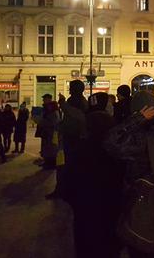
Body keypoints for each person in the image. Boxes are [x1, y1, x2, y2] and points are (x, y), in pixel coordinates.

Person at [105, 90, 154, 257]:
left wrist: (136, 119)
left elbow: (111, 143)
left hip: (145, 201)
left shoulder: (141, 138)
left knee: (142, 246)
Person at [66, 92, 124, 258]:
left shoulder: (81, 147)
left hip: (84, 214)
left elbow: (68, 184)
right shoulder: (114, 148)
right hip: (108, 214)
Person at [48, 81, 88, 200]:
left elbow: (79, 117)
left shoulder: (81, 102)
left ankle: (68, 191)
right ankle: (62, 190)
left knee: (69, 166)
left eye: (71, 88)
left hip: (75, 138)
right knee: (63, 166)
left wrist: (63, 104)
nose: (69, 90)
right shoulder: (72, 101)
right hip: (68, 137)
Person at [35, 94, 59, 170]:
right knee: (46, 148)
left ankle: (50, 164)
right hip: (46, 132)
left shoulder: (52, 109)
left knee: (50, 149)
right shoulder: (46, 108)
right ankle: (47, 163)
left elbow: (53, 122)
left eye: (44, 99)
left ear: (49, 99)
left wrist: (40, 121)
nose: (43, 100)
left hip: (50, 133)